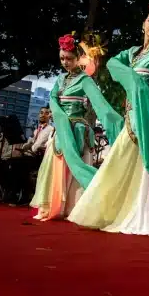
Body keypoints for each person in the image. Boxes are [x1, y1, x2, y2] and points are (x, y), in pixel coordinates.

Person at [68, 0, 149, 236]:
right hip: (130, 113)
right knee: (119, 161)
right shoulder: (131, 54)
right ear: (143, 24)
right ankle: (115, 210)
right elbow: (114, 64)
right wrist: (134, 81)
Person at [30, 34, 122, 220]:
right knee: (53, 168)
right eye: (62, 58)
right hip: (61, 130)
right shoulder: (60, 80)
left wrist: (118, 122)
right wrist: (61, 118)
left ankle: (73, 208)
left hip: (77, 129)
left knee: (75, 170)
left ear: (78, 59)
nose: (65, 62)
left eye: (69, 58)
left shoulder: (85, 80)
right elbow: (53, 100)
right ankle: (51, 207)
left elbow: (100, 104)